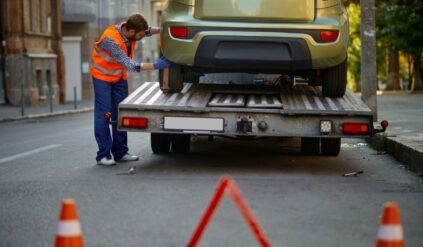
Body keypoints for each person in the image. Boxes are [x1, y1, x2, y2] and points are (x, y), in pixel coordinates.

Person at [90, 13, 170, 166]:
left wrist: (162, 30)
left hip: (119, 78)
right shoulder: (110, 40)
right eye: (139, 35)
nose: (141, 37)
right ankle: (103, 155)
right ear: (132, 32)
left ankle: (120, 152)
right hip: (102, 77)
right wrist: (156, 65)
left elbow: (146, 31)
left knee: (120, 113)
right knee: (105, 115)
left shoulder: (128, 28)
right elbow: (130, 64)